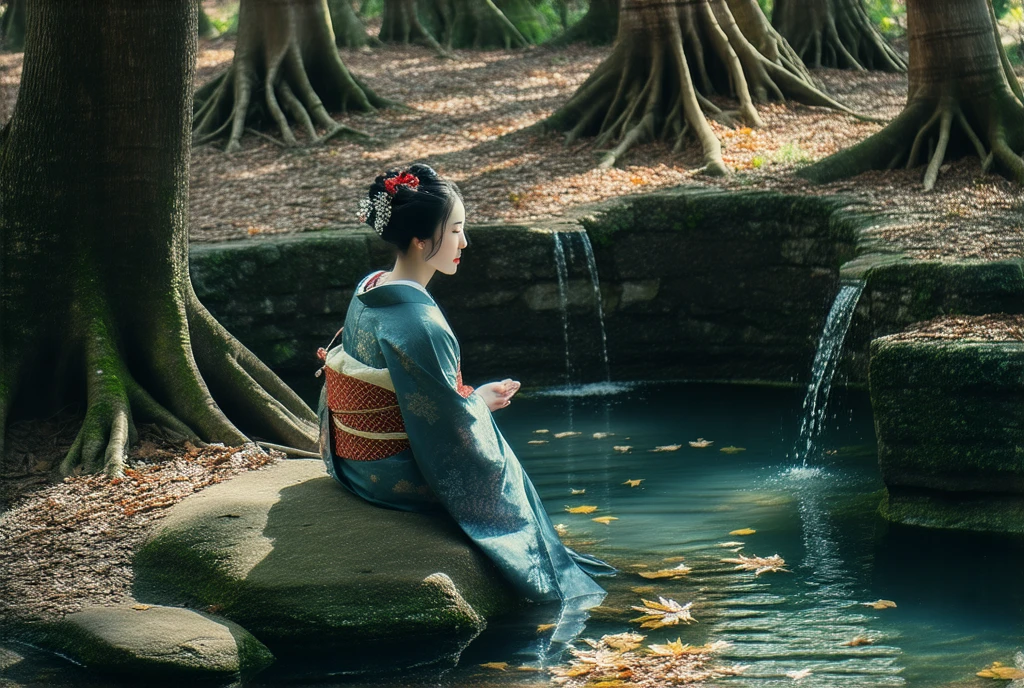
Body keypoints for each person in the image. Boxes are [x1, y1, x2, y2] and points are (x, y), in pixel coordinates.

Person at [316, 163, 616, 611]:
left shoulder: (371, 287)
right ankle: (551, 589)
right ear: (421, 240)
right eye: (456, 230)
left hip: (350, 459)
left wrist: (474, 399)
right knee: (503, 471)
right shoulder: (418, 323)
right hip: (392, 475)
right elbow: (445, 430)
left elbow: (417, 399)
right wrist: (475, 403)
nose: (464, 243)